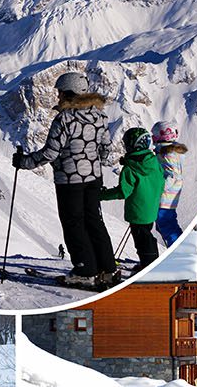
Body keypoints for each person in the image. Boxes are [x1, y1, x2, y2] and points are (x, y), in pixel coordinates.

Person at [14, 72, 117, 288]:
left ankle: (85, 270)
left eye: (60, 92)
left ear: (68, 93)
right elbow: (106, 150)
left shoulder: (65, 118)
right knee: (95, 222)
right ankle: (107, 268)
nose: (58, 97)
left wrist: (23, 162)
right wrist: (93, 163)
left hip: (70, 180)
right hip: (94, 178)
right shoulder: (100, 116)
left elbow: (50, 153)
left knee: (74, 224)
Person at [101, 126, 165, 272]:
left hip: (137, 211)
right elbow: (161, 182)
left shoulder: (130, 169)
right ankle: (149, 263)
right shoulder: (154, 162)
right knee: (147, 236)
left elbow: (123, 192)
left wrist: (102, 195)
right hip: (151, 209)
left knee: (141, 241)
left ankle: (148, 265)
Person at [151, 121, 188, 246]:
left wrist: (158, 188)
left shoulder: (167, 153)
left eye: (154, 135)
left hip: (165, 198)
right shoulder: (169, 152)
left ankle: (179, 251)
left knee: (167, 226)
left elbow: (171, 175)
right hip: (169, 197)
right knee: (164, 226)